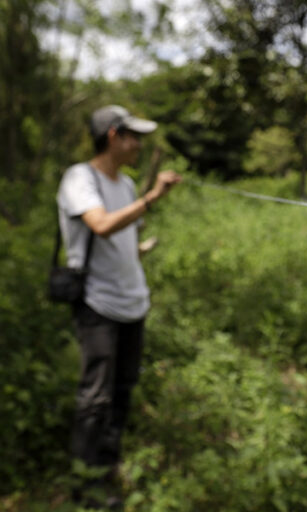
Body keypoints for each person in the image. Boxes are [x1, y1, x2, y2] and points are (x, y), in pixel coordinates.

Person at [56, 105, 182, 509]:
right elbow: (102, 225)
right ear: (113, 136)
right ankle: (86, 488)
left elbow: (123, 236)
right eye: (134, 136)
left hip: (133, 304)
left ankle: (106, 466)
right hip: (98, 305)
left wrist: (138, 248)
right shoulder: (80, 178)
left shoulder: (125, 185)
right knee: (95, 397)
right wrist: (154, 196)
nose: (139, 145)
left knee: (123, 390)